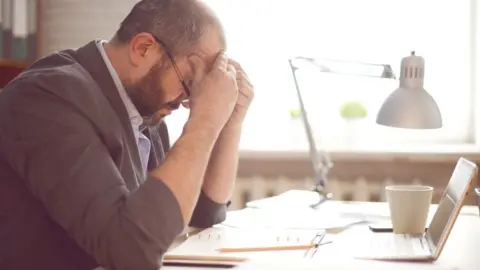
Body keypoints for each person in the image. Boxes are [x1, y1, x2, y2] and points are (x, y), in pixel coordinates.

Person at [0, 0, 254, 269]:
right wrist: (205, 120)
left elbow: (204, 212)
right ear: (143, 48)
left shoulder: (144, 109)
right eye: (190, 83)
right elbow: (130, 252)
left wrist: (231, 121)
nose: (188, 101)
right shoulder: (47, 99)